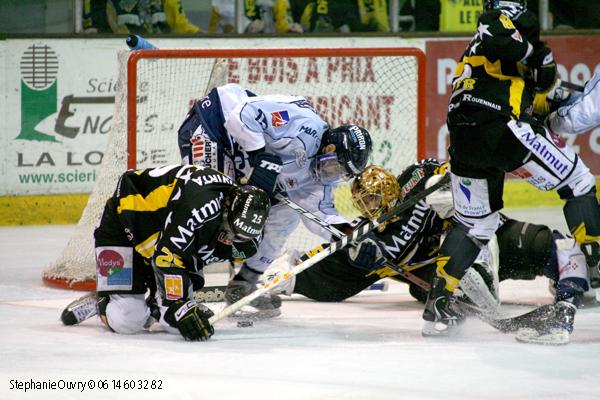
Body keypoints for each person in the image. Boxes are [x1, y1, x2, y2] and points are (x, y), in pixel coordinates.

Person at [423, 0, 600, 336]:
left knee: (475, 224)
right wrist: (539, 56)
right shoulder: (496, 24)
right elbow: (499, 32)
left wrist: (549, 91)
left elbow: (532, 95)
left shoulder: (484, 61)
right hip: (501, 128)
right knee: (578, 181)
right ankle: (596, 262)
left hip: (464, 139)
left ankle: (437, 307)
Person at [265, 160, 591, 342]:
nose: (372, 202)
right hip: (442, 274)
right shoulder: (370, 239)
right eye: (366, 201)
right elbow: (332, 276)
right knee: (439, 283)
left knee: (556, 248)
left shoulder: (418, 177)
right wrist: (290, 276)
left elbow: (453, 167)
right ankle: (463, 285)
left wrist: (448, 181)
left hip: (491, 237)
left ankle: (577, 278)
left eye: (375, 194)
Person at [177, 83, 372, 312]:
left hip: (242, 159)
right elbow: (241, 115)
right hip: (215, 126)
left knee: (286, 215)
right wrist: (258, 156)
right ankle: (179, 293)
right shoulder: (303, 125)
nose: (335, 174)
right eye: (337, 166)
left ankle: (244, 285)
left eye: (342, 173)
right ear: (329, 148)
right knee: (210, 209)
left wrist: (351, 235)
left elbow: (319, 215)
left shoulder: (324, 176)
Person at [61, 164, 271, 341]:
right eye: (229, 229)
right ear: (226, 206)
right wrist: (179, 304)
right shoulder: (198, 204)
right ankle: (104, 300)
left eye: (239, 236)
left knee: (176, 325)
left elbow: (190, 257)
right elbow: (167, 256)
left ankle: (153, 305)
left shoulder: (248, 239)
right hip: (125, 224)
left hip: (168, 238)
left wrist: (177, 307)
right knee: (128, 320)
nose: (231, 238)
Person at [83, 0, 201, 34]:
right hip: (122, 52)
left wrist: (202, 36)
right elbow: (95, 27)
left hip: (159, 53)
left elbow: (180, 24)